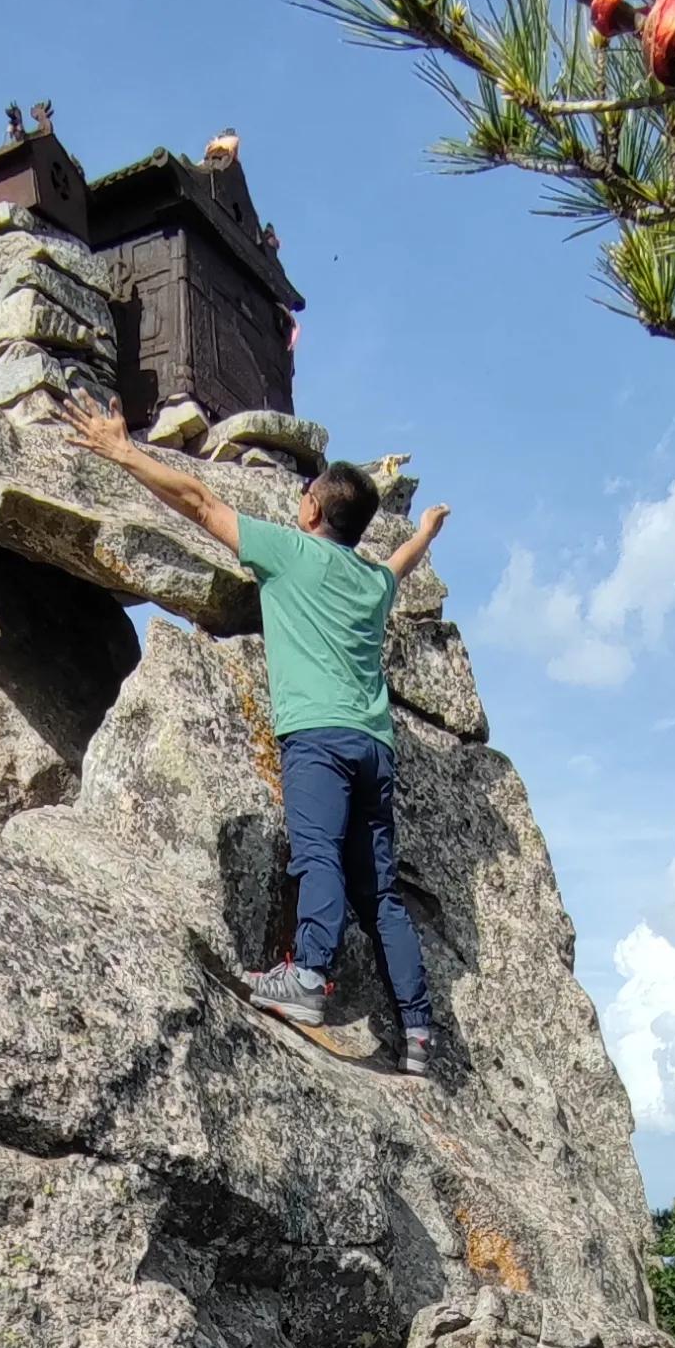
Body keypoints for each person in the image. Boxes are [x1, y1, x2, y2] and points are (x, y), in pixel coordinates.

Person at [73, 401, 448, 1076]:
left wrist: (122, 451)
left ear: (311, 512)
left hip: (319, 737)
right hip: (374, 745)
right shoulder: (371, 582)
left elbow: (197, 500)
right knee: (382, 894)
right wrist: (424, 533)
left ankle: (307, 977)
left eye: (305, 495)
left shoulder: (289, 553)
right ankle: (420, 1032)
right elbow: (402, 564)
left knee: (317, 855)